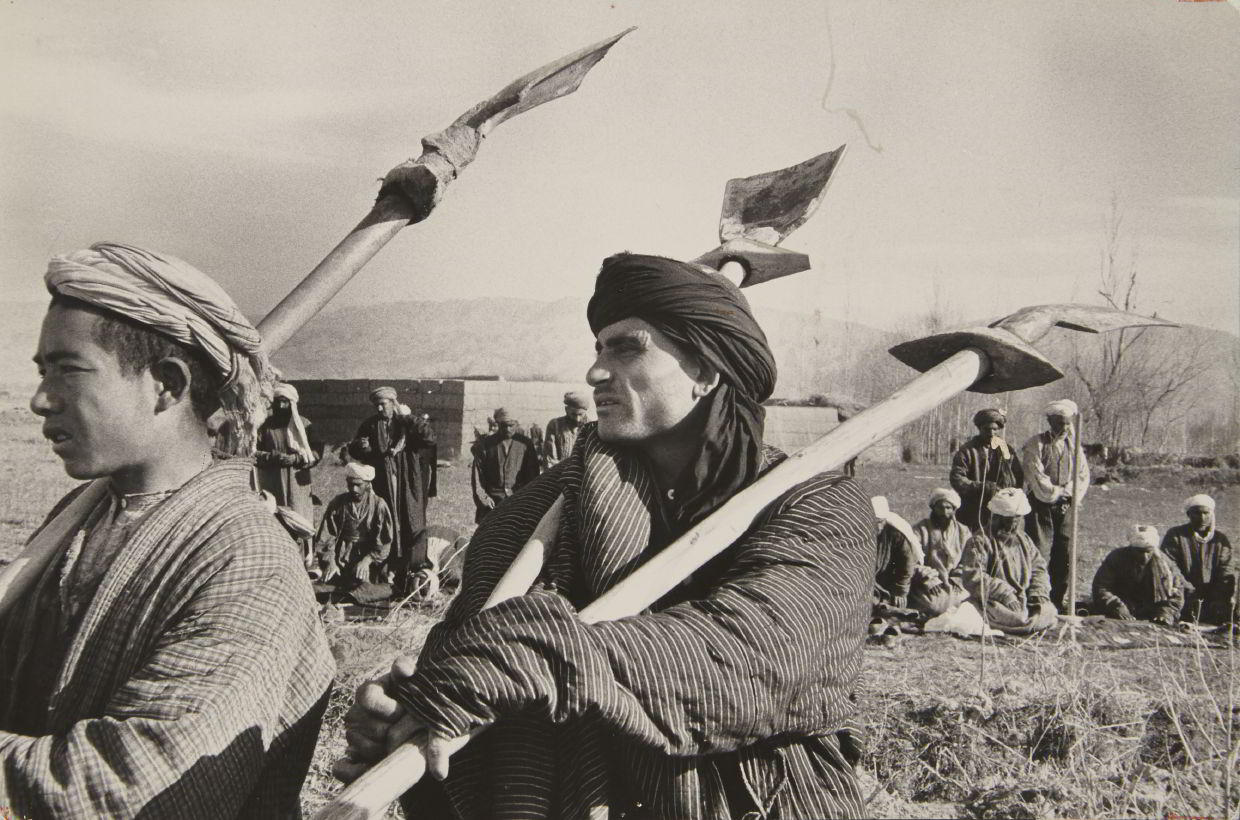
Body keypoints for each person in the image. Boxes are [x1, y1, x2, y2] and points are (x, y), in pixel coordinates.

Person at [337, 252, 874, 818]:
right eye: (597, 347)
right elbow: (466, 648)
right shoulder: (544, 508)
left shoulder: (814, 503)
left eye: (627, 346)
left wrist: (506, 665)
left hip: (743, 798)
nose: (595, 371)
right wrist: (403, 714)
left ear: (707, 372)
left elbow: (752, 659)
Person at [0, 242, 333, 816]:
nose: (38, 400)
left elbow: (138, 782)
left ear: (167, 385)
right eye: (40, 371)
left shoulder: (245, 561)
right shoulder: (79, 514)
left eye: (68, 371)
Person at [349, 388, 429, 594]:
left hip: (407, 484)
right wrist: (361, 447)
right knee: (386, 524)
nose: (379, 407)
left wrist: (408, 418)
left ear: (394, 402)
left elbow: (428, 437)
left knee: (411, 523)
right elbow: (355, 451)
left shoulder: (407, 423)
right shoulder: (369, 424)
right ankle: (385, 570)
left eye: (383, 403)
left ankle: (411, 571)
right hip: (383, 484)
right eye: (377, 404)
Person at [954, 488, 1057, 633]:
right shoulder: (979, 541)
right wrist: (1005, 594)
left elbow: (1038, 567)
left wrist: (1038, 593)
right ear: (996, 517)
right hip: (994, 599)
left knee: (1048, 611)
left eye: (1018, 518)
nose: (1014, 523)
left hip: (1025, 597)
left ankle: (1030, 621)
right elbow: (974, 576)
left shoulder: (1024, 539)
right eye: (1009, 519)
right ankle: (1023, 624)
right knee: (1018, 618)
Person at [1021, 398, 1090, 612]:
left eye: (1068, 423)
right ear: (1050, 421)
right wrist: (1055, 493)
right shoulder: (1036, 443)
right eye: (1060, 422)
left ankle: (1058, 598)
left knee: (1065, 551)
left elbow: (1083, 474)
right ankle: (1036, 596)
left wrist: (1069, 493)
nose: (1065, 427)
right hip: (1042, 504)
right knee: (1039, 549)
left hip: (1067, 505)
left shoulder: (1074, 445)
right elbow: (1035, 473)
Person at [256, 381, 322, 568]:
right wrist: (273, 457)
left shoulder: (305, 425)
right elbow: (253, 452)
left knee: (299, 518)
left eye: (285, 402)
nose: (281, 406)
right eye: (278, 401)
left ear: (292, 403)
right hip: (272, 480)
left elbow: (316, 453)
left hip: (297, 482)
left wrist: (296, 460)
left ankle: (304, 562)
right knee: (274, 516)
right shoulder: (265, 426)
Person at [316, 462, 396, 591]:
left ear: (368, 485)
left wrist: (367, 560)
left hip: (368, 559)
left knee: (364, 588)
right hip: (340, 557)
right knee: (325, 588)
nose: (354, 489)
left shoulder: (378, 505)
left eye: (358, 485)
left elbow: (384, 542)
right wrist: (330, 562)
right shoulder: (338, 503)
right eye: (350, 484)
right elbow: (327, 536)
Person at [1161, 494, 1236, 624]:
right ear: (1189, 514)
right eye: (1197, 513)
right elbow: (1169, 565)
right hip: (1183, 593)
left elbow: (1226, 570)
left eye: (1206, 513)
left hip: (1213, 596)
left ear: (1211, 514)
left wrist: (1218, 596)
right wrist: (1187, 589)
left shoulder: (1220, 540)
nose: (1202, 518)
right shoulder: (1176, 535)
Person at [1091, 524, 1183, 625]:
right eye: (1139, 551)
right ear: (1131, 548)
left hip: (1152, 611)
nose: (1144, 556)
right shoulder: (1116, 558)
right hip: (1120, 609)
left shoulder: (1165, 564)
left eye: (1148, 552)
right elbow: (1101, 587)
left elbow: (1177, 593)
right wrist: (1116, 606)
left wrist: (1165, 612)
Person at [949, 408, 1023, 532]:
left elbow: (1018, 476)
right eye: (987, 429)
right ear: (979, 429)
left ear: (999, 429)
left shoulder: (1006, 449)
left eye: (994, 429)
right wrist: (984, 487)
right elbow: (957, 478)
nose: (991, 433)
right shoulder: (967, 450)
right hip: (973, 507)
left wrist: (1010, 493)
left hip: (1001, 507)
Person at [469, 407, 540, 523]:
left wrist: (526, 498)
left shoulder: (525, 444)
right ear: (497, 424)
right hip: (492, 501)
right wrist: (484, 498)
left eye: (511, 425)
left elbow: (533, 475)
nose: (507, 429)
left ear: (516, 424)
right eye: (504, 425)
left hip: (518, 500)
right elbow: (477, 476)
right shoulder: (486, 444)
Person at [913, 487, 972, 587]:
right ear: (933, 508)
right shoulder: (920, 529)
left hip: (957, 582)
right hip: (928, 582)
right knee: (934, 602)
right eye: (940, 508)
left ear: (954, 510)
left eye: (948, 508)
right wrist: (929, 579)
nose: (944, 512)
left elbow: (969, 560)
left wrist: (956, 579)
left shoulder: (964, 531)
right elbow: (911, 560)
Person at [872, 496, 922, 610]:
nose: (878, 527)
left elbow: (907, 563)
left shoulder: (896, 534)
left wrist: (900, 590)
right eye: (874, 522)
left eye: (880, 522)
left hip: (889, 579)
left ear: (885, 520)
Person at [543, 391, 591, 468]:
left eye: (580, 415)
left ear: (585, 412)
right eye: (573, 414)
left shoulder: (591, 427)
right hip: (558, 473)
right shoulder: (555, 425)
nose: (577, 419)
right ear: (566, 410)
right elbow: (550, 459)